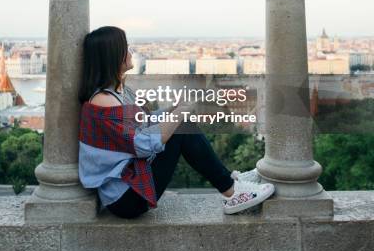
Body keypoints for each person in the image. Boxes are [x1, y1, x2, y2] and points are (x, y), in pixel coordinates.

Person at [78, 26, 275, 219]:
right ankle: (232, 191)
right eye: (125, 48)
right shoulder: (104, 101)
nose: (130, 52)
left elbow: (144, 121)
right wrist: (179, 114)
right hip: (126, 199)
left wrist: (172, 110)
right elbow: (142, 144)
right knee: (181, 126)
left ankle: (230, 182)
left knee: (181, 122)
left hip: (131, 185)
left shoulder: (117, 92)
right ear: (113, 55)